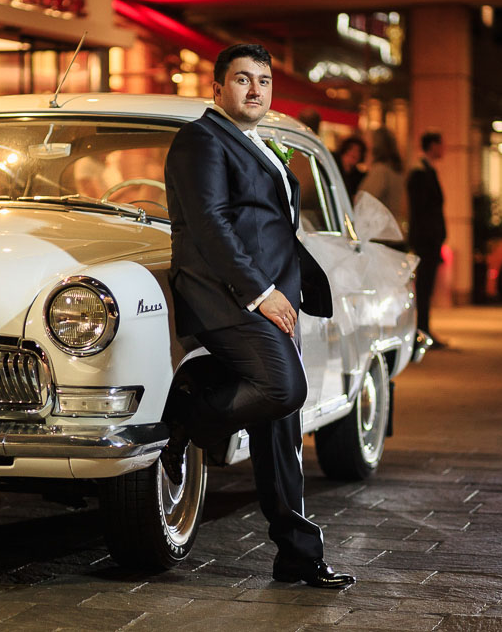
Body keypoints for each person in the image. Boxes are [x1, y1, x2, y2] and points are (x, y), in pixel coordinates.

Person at [162, 43, 355, 589]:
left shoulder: (254, 141)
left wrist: (284, 292)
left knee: (281, 432)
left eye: (263, 81)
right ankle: (182, 420)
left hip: (276, 300)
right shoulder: (200, 140)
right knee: (283, 389)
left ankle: (296, 552)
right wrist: (259, 293)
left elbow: (271, 225)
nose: (254, 90)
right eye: (242, 80)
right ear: (217, 89)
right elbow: (210, 225)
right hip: (229, 298)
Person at [407, 131, 447, 346]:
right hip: (426, 240)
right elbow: (422, 211)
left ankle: (424, 329)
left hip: (430, 239)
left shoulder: (426, 171)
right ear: (432, 145)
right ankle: (421, 331)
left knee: (426, 287)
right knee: (423, 287)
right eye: (441, 144)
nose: (444, 148)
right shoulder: (420, 173)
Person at [358, 127, 407, 229]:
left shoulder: (380, 170)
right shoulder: (395, 169)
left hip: (379, 232)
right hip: (392, 229)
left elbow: (366, 200)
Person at [333, 135, 366, 202]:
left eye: (358, 151)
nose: (355, 153)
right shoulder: (332, 165)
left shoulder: (358, 176)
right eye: (352, 150)